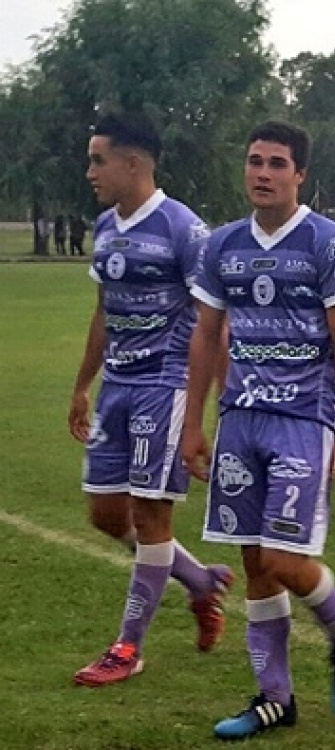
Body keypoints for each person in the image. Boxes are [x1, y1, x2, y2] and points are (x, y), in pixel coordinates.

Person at [181, 120, 335, 739]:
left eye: (276, 163)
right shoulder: (223, 244)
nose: (262, 173)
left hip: (303, 419)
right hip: (240, 419)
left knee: (285, 560)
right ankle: (274, 698)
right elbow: (206, 335)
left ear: (300, 175)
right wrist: (193, 423)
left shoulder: (328, 243)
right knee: (254, 562)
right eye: (255, 161)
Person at [68, 111, 233, 687]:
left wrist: (220, 403)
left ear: (133, 162)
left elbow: (214, 322)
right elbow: (103, 312)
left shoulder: (184, 229)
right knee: (106, 515)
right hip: (116, 386)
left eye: (98, 160)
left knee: (151, 515)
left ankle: (127, 648)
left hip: (165, 386)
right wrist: (82, 384)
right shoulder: (106, 226)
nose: (91, 171)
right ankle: (202, 582)